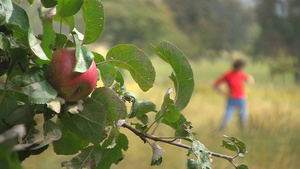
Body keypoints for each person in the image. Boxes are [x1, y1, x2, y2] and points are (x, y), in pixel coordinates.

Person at [214, 59, 254, 131]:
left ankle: (244, 133)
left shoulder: (242, 73)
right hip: (231, 99)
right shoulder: (228, 74)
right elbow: (216, 85)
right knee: (227, 117)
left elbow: (250, 80)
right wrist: (224, 94)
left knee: (243, 117)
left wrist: (249, 78)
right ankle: (219, 132)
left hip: (241, 98)